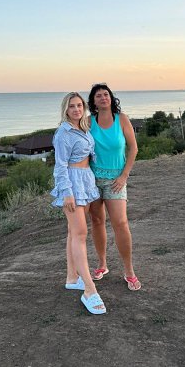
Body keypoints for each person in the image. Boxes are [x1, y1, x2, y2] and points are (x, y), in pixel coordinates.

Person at [50, 92, 106, 315]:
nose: (76, 109)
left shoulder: (83, 128)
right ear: (66, 109)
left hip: (85, 180)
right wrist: (67, 193)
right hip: (72, 184)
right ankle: (89, 290)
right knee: (80, 233)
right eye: (72, 106)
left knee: (73, 233)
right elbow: (60, 165)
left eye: (79, 105)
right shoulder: (63, 133)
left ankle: (72, 278)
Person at [87, 84, 141, 291]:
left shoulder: (122, 119)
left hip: (116, 180)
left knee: (120, 223)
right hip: (92, 179)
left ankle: (129, 271)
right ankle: (102, 264)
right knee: (97, 221)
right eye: (98, 96)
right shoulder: (88, 122)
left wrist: (124, 175)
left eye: (106, 94)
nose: (103, 98)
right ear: (93, 101)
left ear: (111, 98)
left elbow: (133, 148)